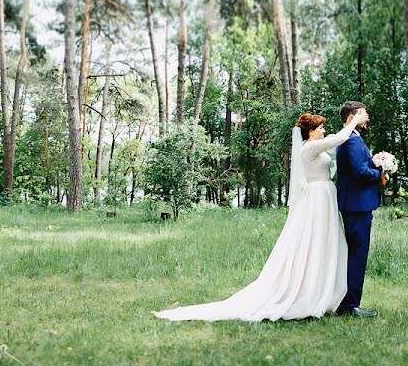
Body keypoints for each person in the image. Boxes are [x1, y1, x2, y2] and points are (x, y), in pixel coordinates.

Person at [153, 109, 369, 322]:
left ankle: (326, 289)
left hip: (324, 198)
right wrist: (354, 121)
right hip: (316, 200)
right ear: (310, 131)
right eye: (320, 127)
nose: (324, 130)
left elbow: (337, 142)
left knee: (325, 244)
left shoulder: (316, 145)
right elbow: (340, 137)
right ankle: (310, 292)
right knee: (313, 243)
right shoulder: (310, 148)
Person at [335, 101, 384, 318]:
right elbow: (360, 172)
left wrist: (377, 163)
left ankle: (346, 301)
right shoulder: (352, 140)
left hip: (354, 204)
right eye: (364, 113)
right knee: (357, 255)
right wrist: (381, 174)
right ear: (352, 116)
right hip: (357, 206)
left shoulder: (348, 138)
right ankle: (350, 305)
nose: (367, 117)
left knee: (353, 253)